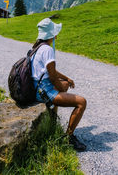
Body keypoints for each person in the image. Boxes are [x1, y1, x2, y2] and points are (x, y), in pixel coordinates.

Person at [31, 18, 87, 151]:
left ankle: (53, 117)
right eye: (55, 33)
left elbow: (50, 70)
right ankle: (69, 137)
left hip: (36, 87)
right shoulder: (48, 50)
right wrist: (61, 88)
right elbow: (53, 76)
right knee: (81, 102)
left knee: (66, 85)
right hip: (43, 91)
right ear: (51, 34)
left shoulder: (36, 48)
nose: (56, 36)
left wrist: (66, 79)